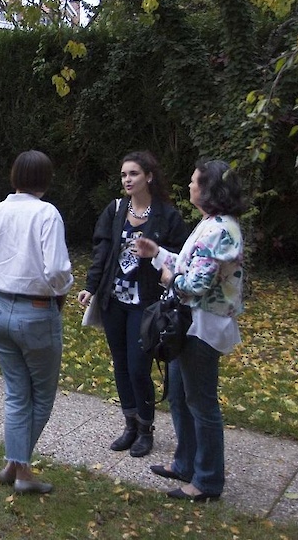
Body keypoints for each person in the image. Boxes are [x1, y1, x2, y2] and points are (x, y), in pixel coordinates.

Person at [134, 159, 245, 502]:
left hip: (203, 329)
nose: (189, 186)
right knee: (181, 399)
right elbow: (189, 265)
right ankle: (185, 465)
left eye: (194, 182)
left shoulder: (221, 230)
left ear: (210, 189)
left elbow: (195, 282)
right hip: (188, 325)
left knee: (202, 404)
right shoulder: (210, 224)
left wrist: (169, 278)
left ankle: (208, 482)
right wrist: (159, 255)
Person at [75, 151, 189, 458]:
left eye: (134, 174)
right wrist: (91, 288)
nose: (127, 179)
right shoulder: (115, 210)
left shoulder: (166, 215)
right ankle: (130, 424)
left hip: (146, 303)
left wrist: (156, 255)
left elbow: (181, 255)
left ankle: (145, 428)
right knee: (122, 365)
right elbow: (102, 252)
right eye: (124, 174)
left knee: (139, 368)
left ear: (149, 177)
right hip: (115, 301)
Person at [0, 150, 72, 495]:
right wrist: (63, 290)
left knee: (17, 394)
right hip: (36, 311)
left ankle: (14, 465)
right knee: (41, 396)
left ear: (14, 176)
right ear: (46, 178)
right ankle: (23, 470)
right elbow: (57, 270)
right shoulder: (47, 214)